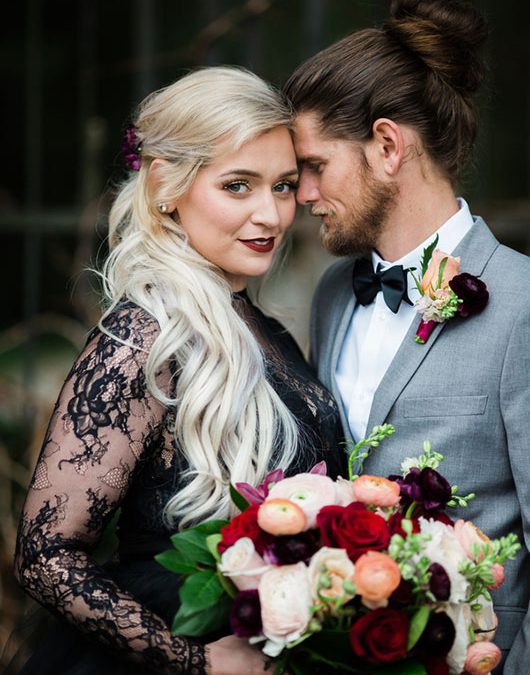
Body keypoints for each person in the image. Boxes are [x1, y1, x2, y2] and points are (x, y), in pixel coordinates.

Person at [11, 66, 343, 675]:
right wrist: (191, 660)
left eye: (284, 185)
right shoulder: (143, 340)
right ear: (166, 185)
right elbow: (45, 553)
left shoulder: (267, 335)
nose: (270, 215)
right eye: (238, 186)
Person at [284, 0, 530, 672]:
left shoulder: (521, 303)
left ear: (388, 147)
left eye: (315, 165)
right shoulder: (334, 295)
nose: (302, 194)